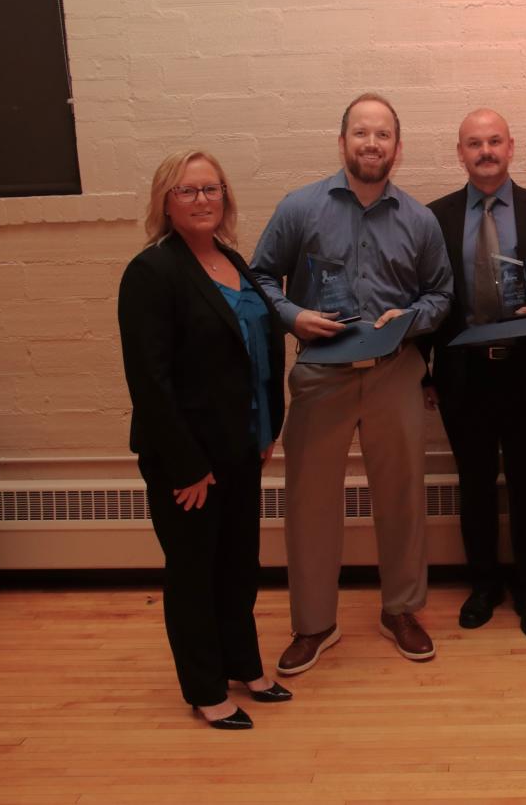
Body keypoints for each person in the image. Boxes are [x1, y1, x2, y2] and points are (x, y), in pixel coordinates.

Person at [250, 93, 454, 672]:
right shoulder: (300, 208)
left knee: (403, 495)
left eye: (383, 135)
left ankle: (402, 611)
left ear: (398, 147)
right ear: (342, 142)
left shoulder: (419, 220)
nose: (372, 144)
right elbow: (260, 278)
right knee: (310, 502)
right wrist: (293, 316)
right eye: (361, 133)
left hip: (395, 374)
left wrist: (411, 319)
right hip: (322, 374)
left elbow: (442, 293)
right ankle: (314, 624)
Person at [118, 149, 290, 730]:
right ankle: (205, 688)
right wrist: (186, 463)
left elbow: (258, 352)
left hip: (241, 446)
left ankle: (243, 664)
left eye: (211, 189)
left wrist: (268, 428)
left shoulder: (231, 260)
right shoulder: (152, 271)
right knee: (194, 571)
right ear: (166, 201)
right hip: (188, 458)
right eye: (188, 191)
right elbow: (149, 378)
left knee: (239, 565)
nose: (202, 200)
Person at [424, 109, 526, 639]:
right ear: (460, 152)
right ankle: (483, 584)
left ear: (511, 147)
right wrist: (426, 370)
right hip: (463, 375)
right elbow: (427, 297)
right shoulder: (435, 218)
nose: (485, 151)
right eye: (474, 143)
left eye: (494, 141)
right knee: (474, 486)